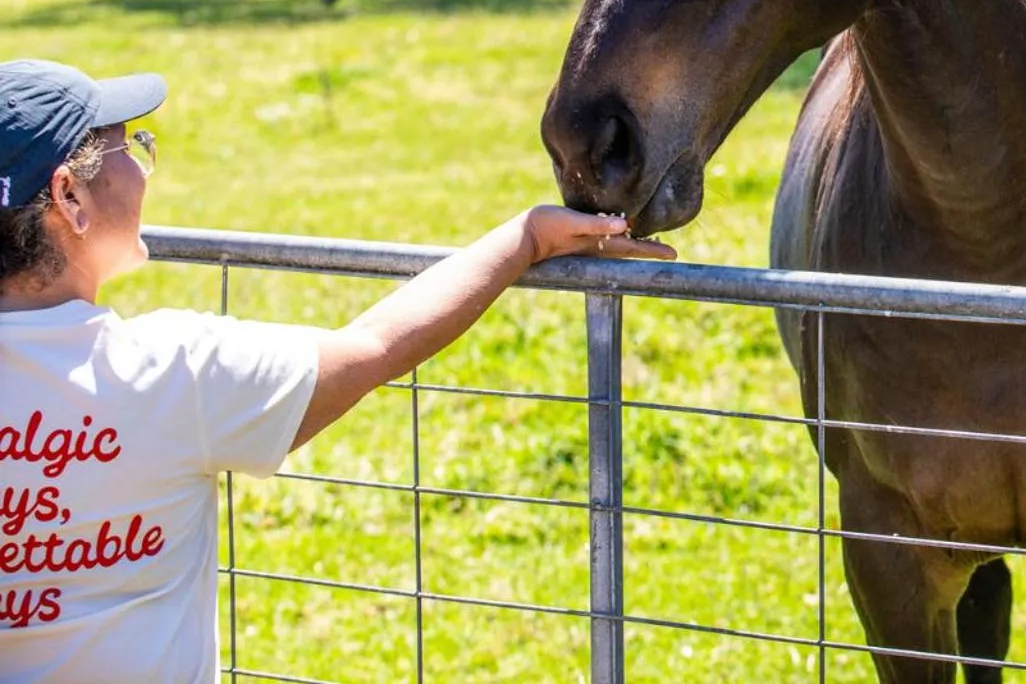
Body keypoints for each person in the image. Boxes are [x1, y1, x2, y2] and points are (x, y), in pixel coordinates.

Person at [0, 59, 670, 682]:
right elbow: (374, 345)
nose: (146, 171)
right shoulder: (171, 375)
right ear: (70, 196)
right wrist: (525, 238)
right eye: (133, 149)